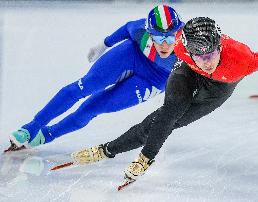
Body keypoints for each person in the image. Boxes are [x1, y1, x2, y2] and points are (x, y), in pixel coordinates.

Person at [70, 17, 258, 183]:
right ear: (187, 49)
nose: (207, 62)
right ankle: (123, 154)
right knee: (166, 115)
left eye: (211, 54)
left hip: (219, 88)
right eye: (199, 56)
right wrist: (105, 43)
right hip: (187, 71)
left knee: (174, 122)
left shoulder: (242, 58)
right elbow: (132, 27)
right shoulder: (179, 44)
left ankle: (110, 150)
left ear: (220, 47)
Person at [6, 5, 185, 152]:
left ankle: (48, 135)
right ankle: (32, 127)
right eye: (158, 37)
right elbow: (127, 28)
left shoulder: (187, 48)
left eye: (169, 38)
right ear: (149, 32)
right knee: (82, 88)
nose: (164, 44)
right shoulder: (140, 30)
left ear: (177, 34)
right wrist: (104, 44)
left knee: (93, 107)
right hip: (131, 55)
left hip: (154, 79)